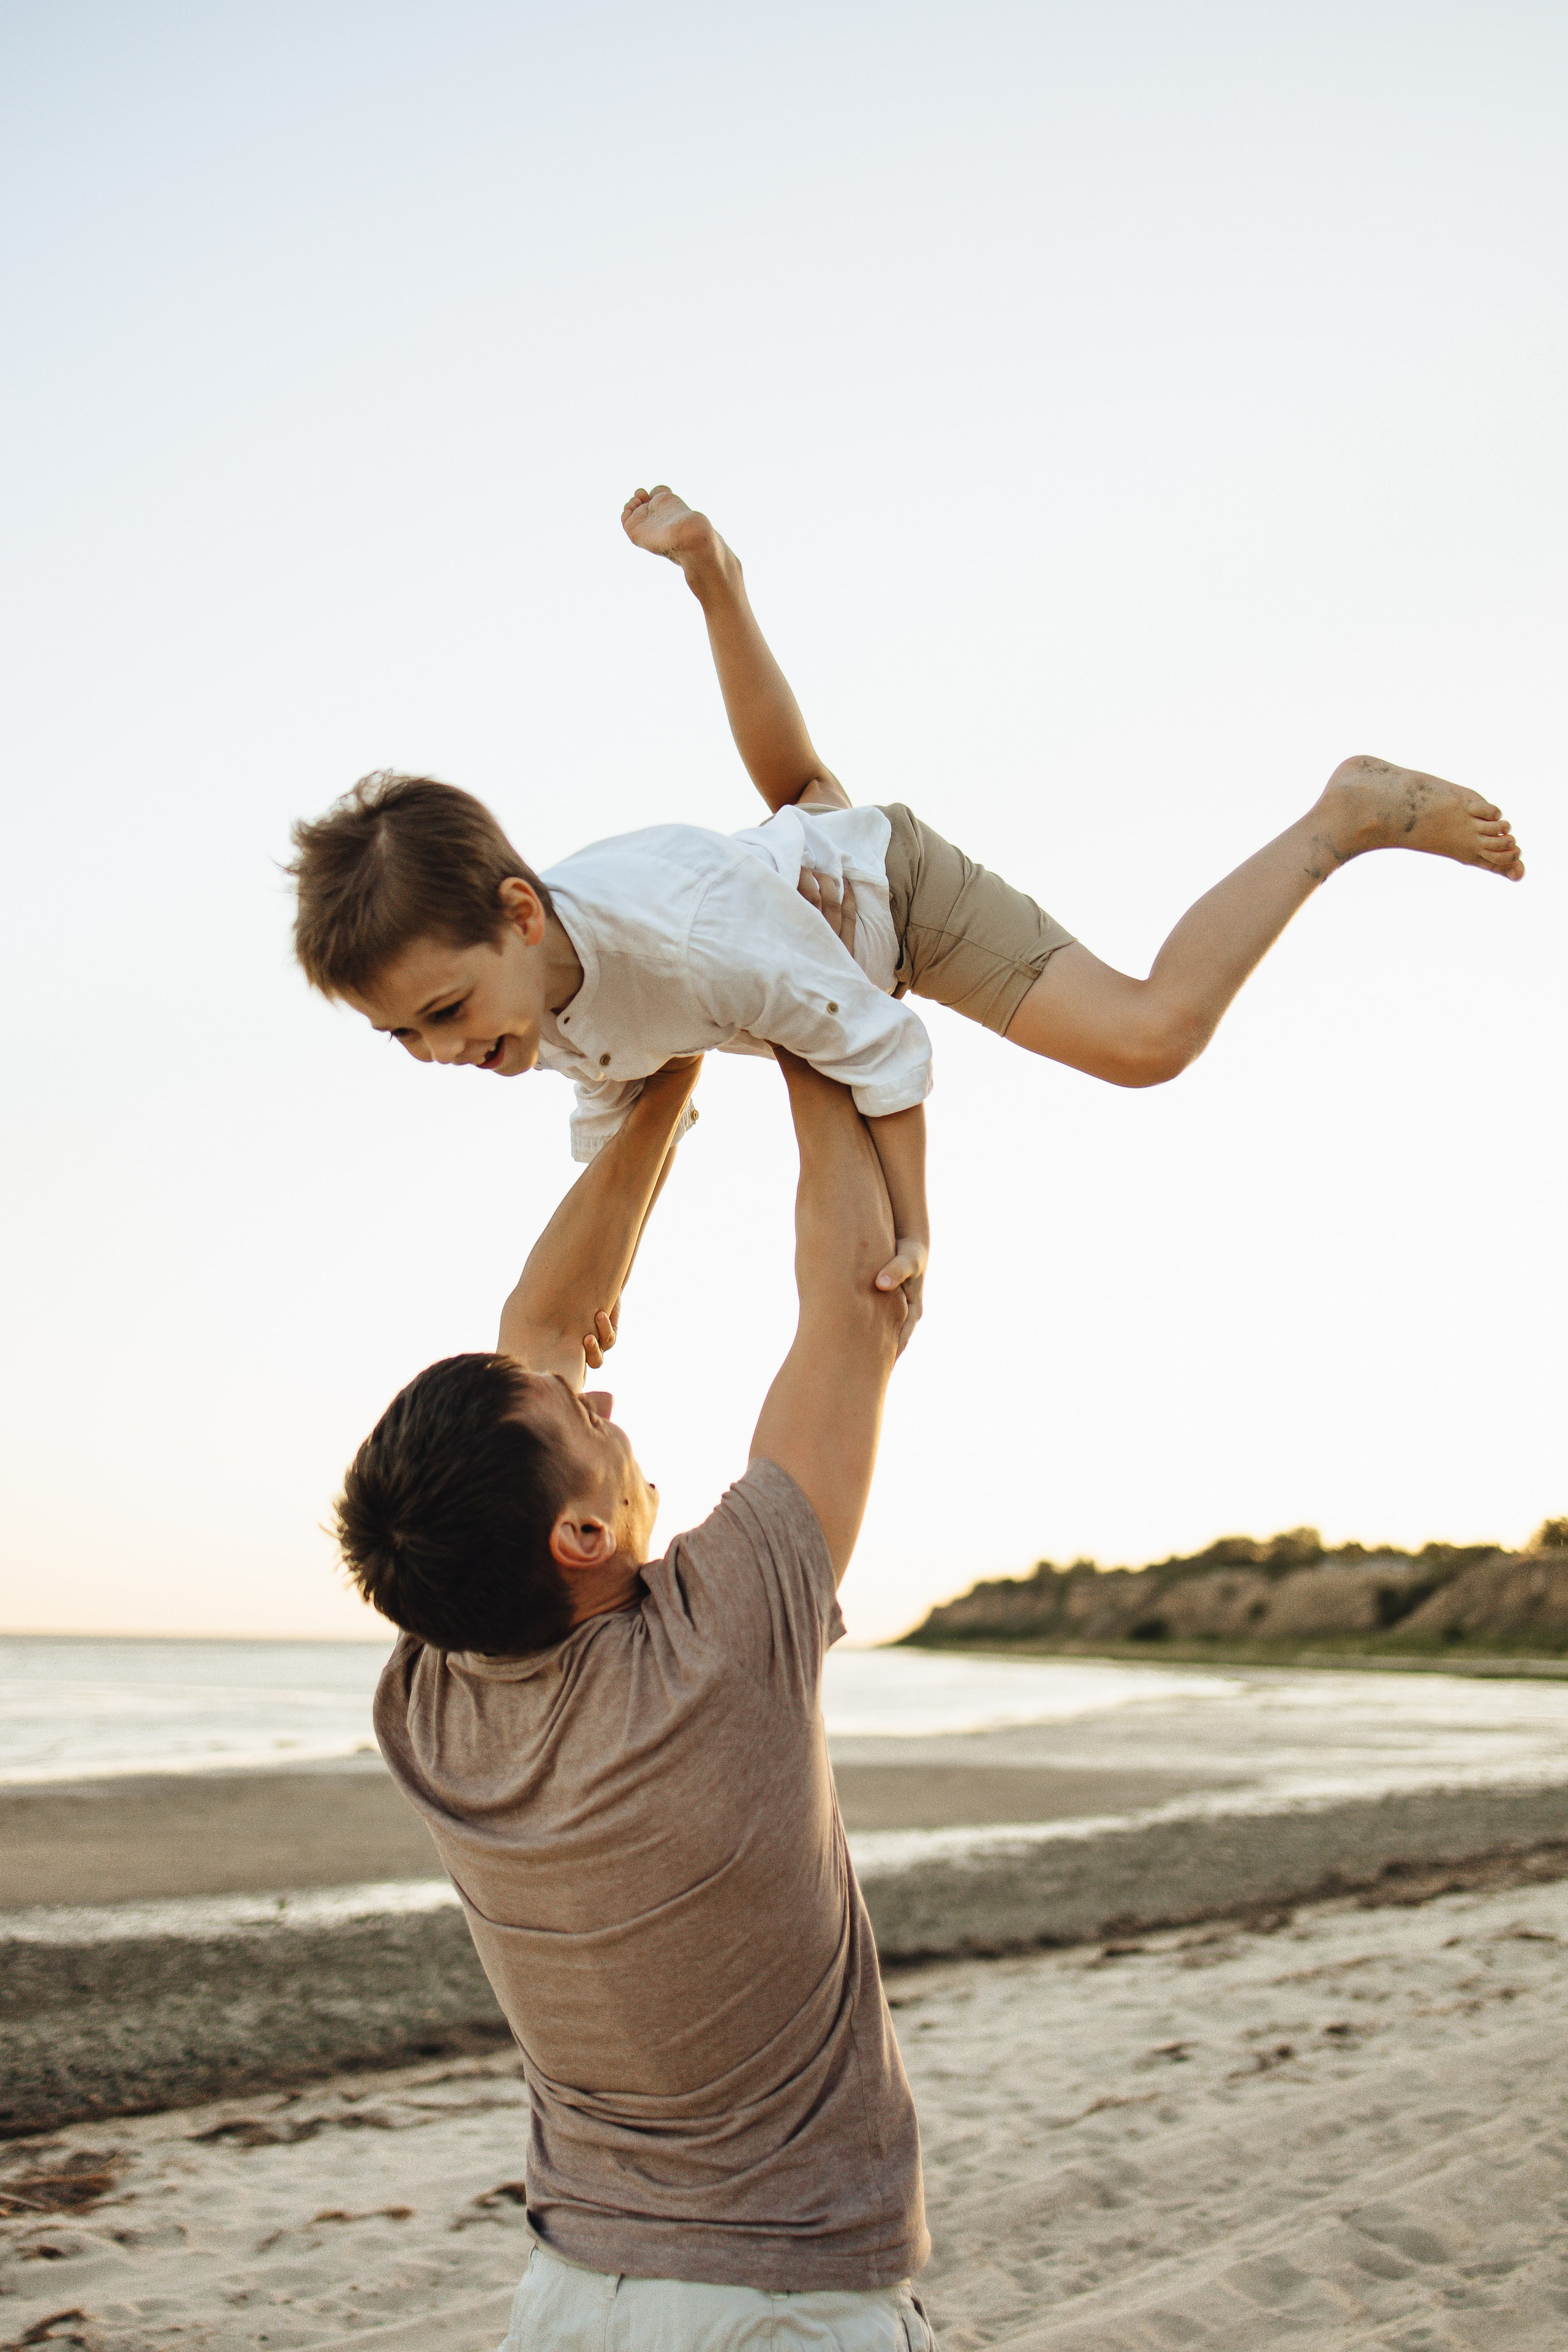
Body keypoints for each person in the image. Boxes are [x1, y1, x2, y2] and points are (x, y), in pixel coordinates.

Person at [289, 489, 1523, 1350]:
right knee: (796, 802)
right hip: (790, 877)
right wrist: (613, 1258)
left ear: (517, 914)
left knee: (1147, 1040)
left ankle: (1337, 816)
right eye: (405, 1037)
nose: (444, 1051)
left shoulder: (682, 934)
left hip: (889, 896)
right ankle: (715, 574)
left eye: (443, 1013)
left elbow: (880, 1045)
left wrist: (917, 1226)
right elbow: (615, 1076)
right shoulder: (524, 995)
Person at [338, 1049, 937, 2349]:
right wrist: (795, 1016)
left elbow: (539, 1325)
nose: (597, 1393)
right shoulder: (721, 1648)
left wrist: (662, 1076)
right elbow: (858, 1304)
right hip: (781, 2309)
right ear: (577, 1540)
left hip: (569, 2295)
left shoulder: (433, 1700)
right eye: (580, 1416)